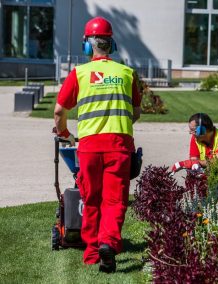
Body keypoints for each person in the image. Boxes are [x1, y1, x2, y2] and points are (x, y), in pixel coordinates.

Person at [53, 16, 142, 273]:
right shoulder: (127, 73)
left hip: (89, 147)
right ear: (111, 45)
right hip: (119, 145)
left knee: (91, 198)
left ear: (88, 45)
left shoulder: (79, 74)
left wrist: (67, 133)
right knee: (115, 201)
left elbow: (59, 112)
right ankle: (108, 243)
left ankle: (92, 252)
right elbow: (135, 113)